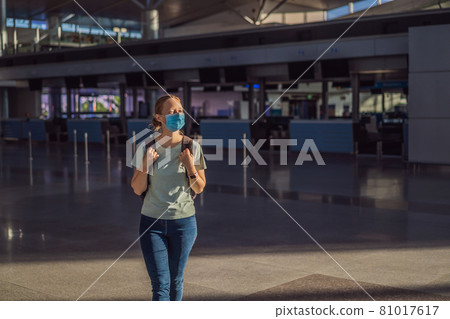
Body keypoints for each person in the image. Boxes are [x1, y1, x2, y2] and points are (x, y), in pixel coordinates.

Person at [131, 94, 207, 301]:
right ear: (159, 117)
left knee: (175, 281)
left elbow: (199, 187)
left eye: (180, 111)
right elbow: (137, 188)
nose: (178, 115)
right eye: (172, 112)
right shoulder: (146, 148)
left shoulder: (192, 147)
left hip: (184, 223)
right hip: (151, 223)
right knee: (160, 284)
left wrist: (190, 166)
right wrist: (146, 165)